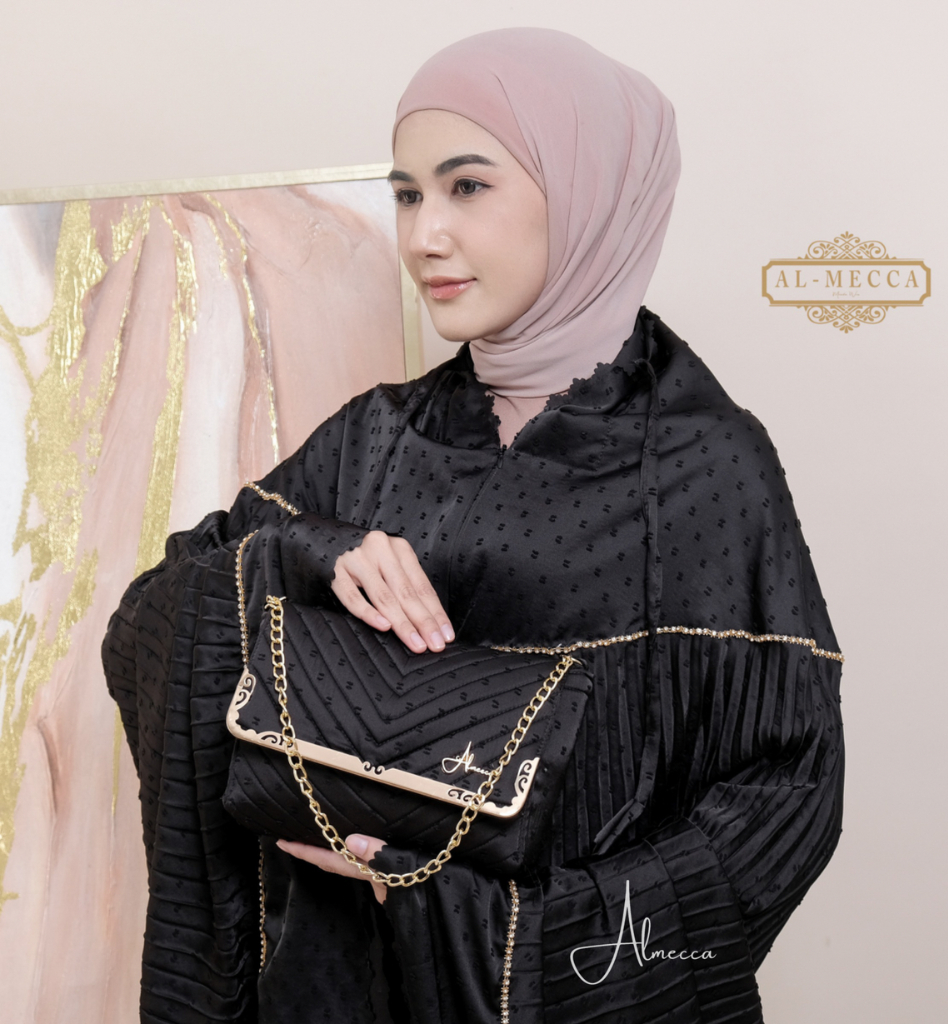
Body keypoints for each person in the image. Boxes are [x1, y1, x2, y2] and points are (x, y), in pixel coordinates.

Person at [103, 27, 844, 1024]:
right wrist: (307, 553)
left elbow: (785, 796)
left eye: (467, 187)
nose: (422, 236)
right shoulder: (377, 436)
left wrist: (498, 927)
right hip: (333, 992)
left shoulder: (704, 466)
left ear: (585, 194)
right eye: (408, 194)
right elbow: (146, 624)